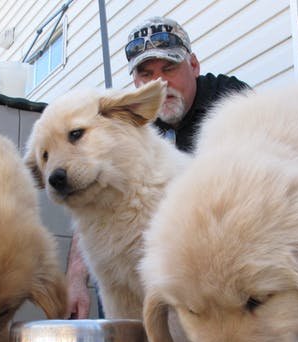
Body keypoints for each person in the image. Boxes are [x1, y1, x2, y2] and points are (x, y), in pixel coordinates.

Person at [65, 16, 252, 319]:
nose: (160, 84)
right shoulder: (129, 117)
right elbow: (93, 195)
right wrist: (76, 276)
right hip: (149, 261)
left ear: (193, 65)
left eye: (169, 68)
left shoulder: (231, 102)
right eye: (146, 73)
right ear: (135, 81)